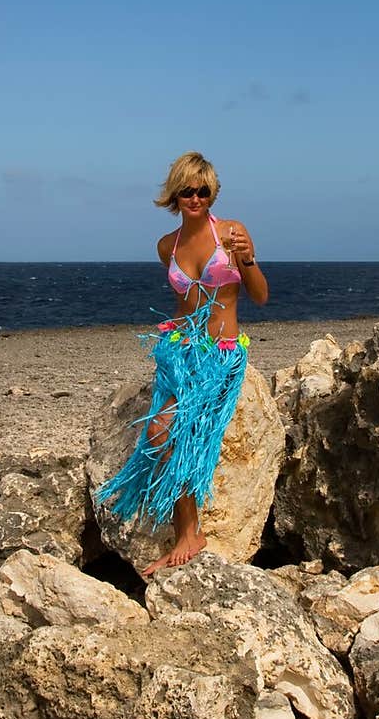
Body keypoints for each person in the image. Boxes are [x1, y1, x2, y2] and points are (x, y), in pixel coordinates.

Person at [95, 151, 269, 579]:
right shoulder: (165, 246)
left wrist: (247, 260)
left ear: (213, 193)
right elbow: (181, 303)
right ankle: (185, 532)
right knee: (158, 431)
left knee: (175, 428)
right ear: (175, 194)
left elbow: (260, 295)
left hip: (222, 354)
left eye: (203, 191)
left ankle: (190, 534)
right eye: (187, 190)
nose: (195, 198)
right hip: (180, 353)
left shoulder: (232, 233)